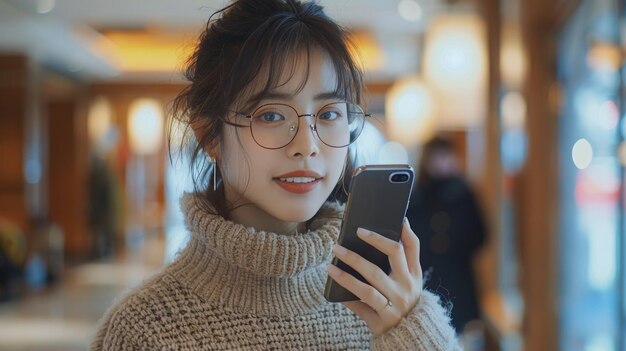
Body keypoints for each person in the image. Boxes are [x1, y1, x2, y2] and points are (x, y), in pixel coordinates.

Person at [91, 1, 459, 349]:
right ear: (209, 137)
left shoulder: (391, 305)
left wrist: (412, 333)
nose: (307, 145)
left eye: (329, 113)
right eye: (270, 115)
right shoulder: (144, 329)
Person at [407, 135, 486, 334]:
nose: (443, 162)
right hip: (428, 278)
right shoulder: (416, 196)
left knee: (461, 329)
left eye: (447, 155)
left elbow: (481, 234)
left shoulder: (463, 194)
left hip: (459, 277)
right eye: (438, 156)